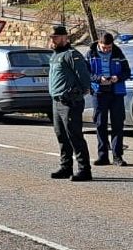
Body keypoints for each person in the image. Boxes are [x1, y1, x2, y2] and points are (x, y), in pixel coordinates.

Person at [48, 25, 92, 181]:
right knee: (61, 135)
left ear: (64, 37)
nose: (52, 40)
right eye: (51, 37)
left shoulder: (72, 55)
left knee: (74, 136)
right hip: (57, 101)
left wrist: (79, 92)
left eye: (55, 37)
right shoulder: (55, 55)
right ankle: (65, 167)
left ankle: (84, 170)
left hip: (69, 102)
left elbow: (84, 77)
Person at [88, 32, 131, 166]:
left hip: (116, 92)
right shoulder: (90, 54)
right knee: (100, 124)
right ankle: (103, 156)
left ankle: (117, 156)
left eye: (109, 48)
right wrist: (98, 79)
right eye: (104, 47)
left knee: (117, 124)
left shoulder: (118, 53)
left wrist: (117, 78)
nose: (106, 50)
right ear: (98, 43)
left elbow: (127, 71)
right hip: (99, 92)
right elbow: (86, 73)